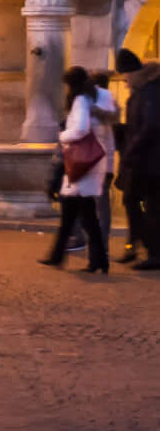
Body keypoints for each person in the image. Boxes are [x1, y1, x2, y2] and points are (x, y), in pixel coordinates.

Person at [42, 67, 114, 275]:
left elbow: (81, 128)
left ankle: (61, 257)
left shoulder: (81, 100)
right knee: (85, 217)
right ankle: (97, 261)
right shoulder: (92, 98)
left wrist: (63, 136)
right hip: (90, 165)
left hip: (81, 165)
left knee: (77, 216)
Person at [116, 49, 160, 268]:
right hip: (144, 160)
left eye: (125, 78)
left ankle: (152, 251)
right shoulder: (144, 92)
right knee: (136, 202)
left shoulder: (149, 93)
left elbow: (150, 126)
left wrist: (131, 149)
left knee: (145, 205)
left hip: (149, 161)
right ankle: (137, 246)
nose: (124, 83)